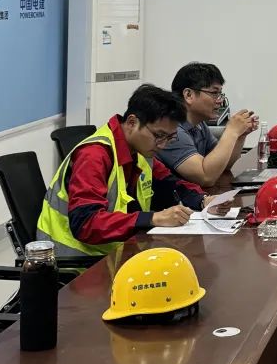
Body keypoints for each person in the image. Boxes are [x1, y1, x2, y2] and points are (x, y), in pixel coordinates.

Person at [36, 84, 207, 257]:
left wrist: (203, 201)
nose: (163, 145)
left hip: (115, 253)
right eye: (159, 136)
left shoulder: (140, 152)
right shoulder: (94, 155)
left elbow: (171, 184)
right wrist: (152, 218)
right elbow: (86, 223)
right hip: (75, 262)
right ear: (132, 122)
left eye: (170, 137)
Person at [160, 62, 258, 187]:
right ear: (188, 95)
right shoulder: (172, 130)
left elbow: (225, 164)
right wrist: (231, 131)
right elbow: (205, 178)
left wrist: (240, 136)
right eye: (214, 93)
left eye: (220, 94)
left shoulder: (199, 124)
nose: (220, 101)